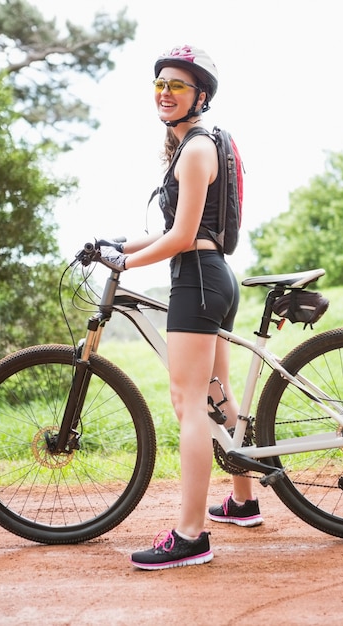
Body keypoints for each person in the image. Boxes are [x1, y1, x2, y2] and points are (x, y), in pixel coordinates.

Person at [115, 45, 263, 570]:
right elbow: (178, 231)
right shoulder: (197, 147)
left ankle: (191, 535)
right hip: (211, 279)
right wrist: (119, 245)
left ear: (200, 96)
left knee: (190, 403)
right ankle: (244, 501)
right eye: (160, 83)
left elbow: (180, 238)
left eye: (177, 85)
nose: (165, 91)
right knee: (217, 393)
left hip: (198, 281)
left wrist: (125, 269)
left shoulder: (197, 149)